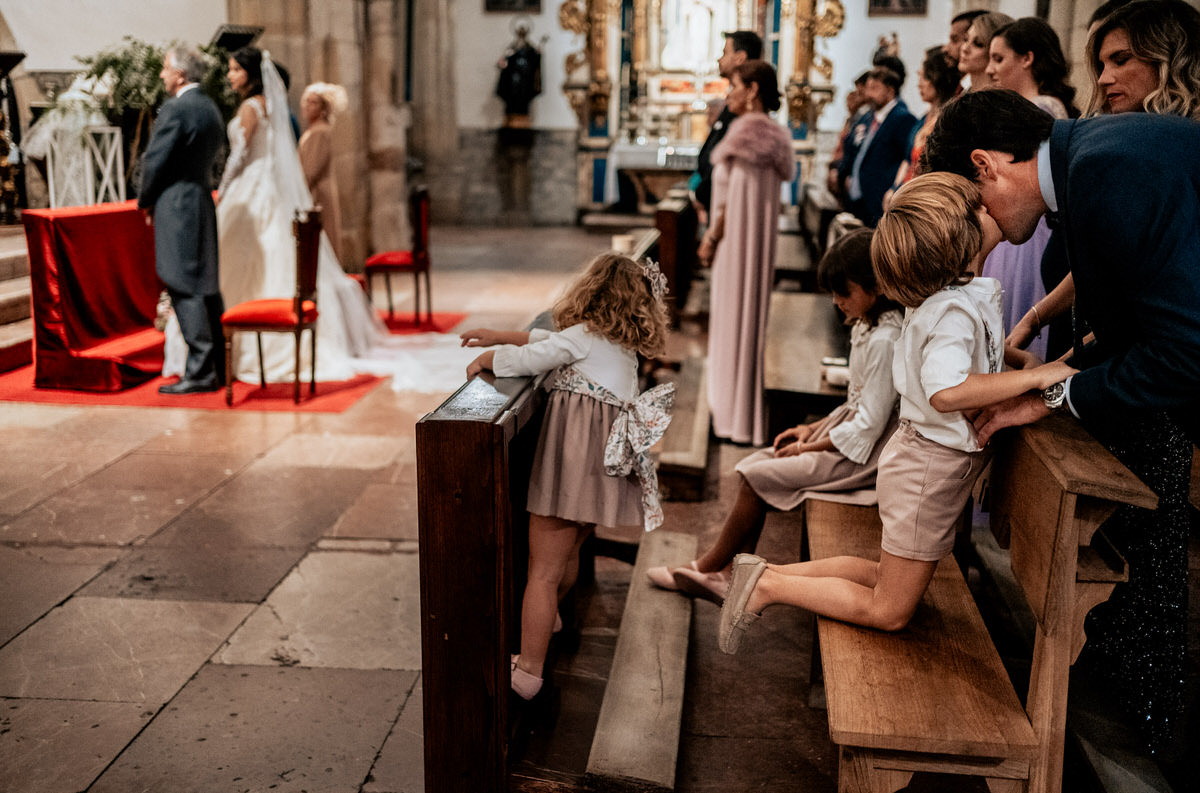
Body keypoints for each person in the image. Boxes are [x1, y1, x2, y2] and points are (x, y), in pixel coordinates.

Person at [923, 87, 1200, 752]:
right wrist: (1054, 372)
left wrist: (1053, 394)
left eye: (972, 204)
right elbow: (1128, 321)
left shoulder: (1104, 170)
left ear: (987, 165)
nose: (981, 225)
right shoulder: (1087, 163)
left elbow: (1182, 352)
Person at [716, 172, 1075, 653]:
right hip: (928, 468)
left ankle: (767, 573)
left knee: (886, 576)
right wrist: (1035, 378)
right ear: (958, 240)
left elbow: (976, 357)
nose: (991, 207)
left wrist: (1021, 362)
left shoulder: (956, 297)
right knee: (889, 611)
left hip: (925, 465)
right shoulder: (951, 309)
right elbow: (947, 389)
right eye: (979, 209)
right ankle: (768, 587)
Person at [459, 252, 674, 700]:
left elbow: (532, 357)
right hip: (601, 472)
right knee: (570, 548)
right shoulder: (620, 346)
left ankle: (528, 671)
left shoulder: (583, 338)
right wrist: (501, 334)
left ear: (589, 293)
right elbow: (547, 338)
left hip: (571, 468)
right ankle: (549, 618)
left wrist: (489, 359)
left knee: (541, 571)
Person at [647, 229, 902, 604]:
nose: (837, 302)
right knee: (759, 464)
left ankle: (710, 567)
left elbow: (869, 423)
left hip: (861, 458)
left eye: (843, 293)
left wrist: (809, 447)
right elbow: (856, 402)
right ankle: (724, 573)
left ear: (874, 287)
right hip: (845, 437)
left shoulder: (885, 339)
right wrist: (809, 428)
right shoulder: (870, 325)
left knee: (757, 473)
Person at [163, 47, 384, 385]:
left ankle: (240, 346)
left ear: (250, 75)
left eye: (235, 70)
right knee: (271, 256)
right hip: (269, 189)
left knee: (238, 260)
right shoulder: (270, 107)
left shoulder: (250, 107)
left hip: (250, 188)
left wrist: (222, 188)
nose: (230, 75)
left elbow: (239, 156)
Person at [1006, 0, 1200, 363]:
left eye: (1121, 60)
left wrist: (1063, 374)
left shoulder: (1167, 161)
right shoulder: (1119, 149)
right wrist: (1035, 318)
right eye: (1101, 64)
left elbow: (1145, 306)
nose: (1104, 77)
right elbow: (1110, 257)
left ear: (1171, 58)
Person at [698, 60, 794, 446]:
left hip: (736, 244)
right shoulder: (772, 135)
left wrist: (710, 237)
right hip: (750, 244)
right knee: (744, 316)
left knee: (733, 314)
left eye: (733, 86)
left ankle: (730, 413)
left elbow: (729, 205)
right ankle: (739, 412)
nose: (728, 94)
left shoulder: (747, 133)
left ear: (752, 89)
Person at [138, 46, 226, 394]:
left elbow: (156, 160)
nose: (161, 75)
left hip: (176, 203)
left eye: (165, 69)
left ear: (180, 74)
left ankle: (201, 371)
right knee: (205, 285)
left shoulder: (177, 107)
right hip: (201, 199)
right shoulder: (209, 106)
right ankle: (218, 364)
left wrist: (145, 200)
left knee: (182, 282)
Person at [689, 30, 762, 223]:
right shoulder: (734, 106)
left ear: (740, 57)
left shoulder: (743, 114)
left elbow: (727, 167)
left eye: (724, 53)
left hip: (727, 214)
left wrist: (700, 194)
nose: (719, 59)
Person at [837, 66, 917, 227]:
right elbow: (851, 145)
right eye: (868, 89)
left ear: (890, 90)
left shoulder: (903, 118)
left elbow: (906, 158)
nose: (869, 95)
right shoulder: (867, 117)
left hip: (879, 198)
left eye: (875, 89)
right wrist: (846, 174)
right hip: (858, 197)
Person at [888, 46, 960, 196]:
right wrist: (894, 190)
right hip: (906, 190)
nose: (919, 84)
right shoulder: (922, 119)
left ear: (938, 78)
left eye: (925, 77)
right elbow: (907, 159)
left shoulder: (949, 119)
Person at [987, 18, 1080, 119]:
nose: (988, 70)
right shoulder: (1027, 107)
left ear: (1027, 59)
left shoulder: (1040, 108)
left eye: (998, 59)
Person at [298, 82, 349, 266]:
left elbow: (311, 170)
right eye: (307, 101)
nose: (307, 106)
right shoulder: (316, 130)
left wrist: (299, 193)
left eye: (314, 102)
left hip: (318, 194)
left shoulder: (319, 131)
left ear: (324, 108)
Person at [956, 11, 1014, 92]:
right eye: (966, 39)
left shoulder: (1001, 101)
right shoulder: (964, 91)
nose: (965, 48)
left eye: (978, 44)